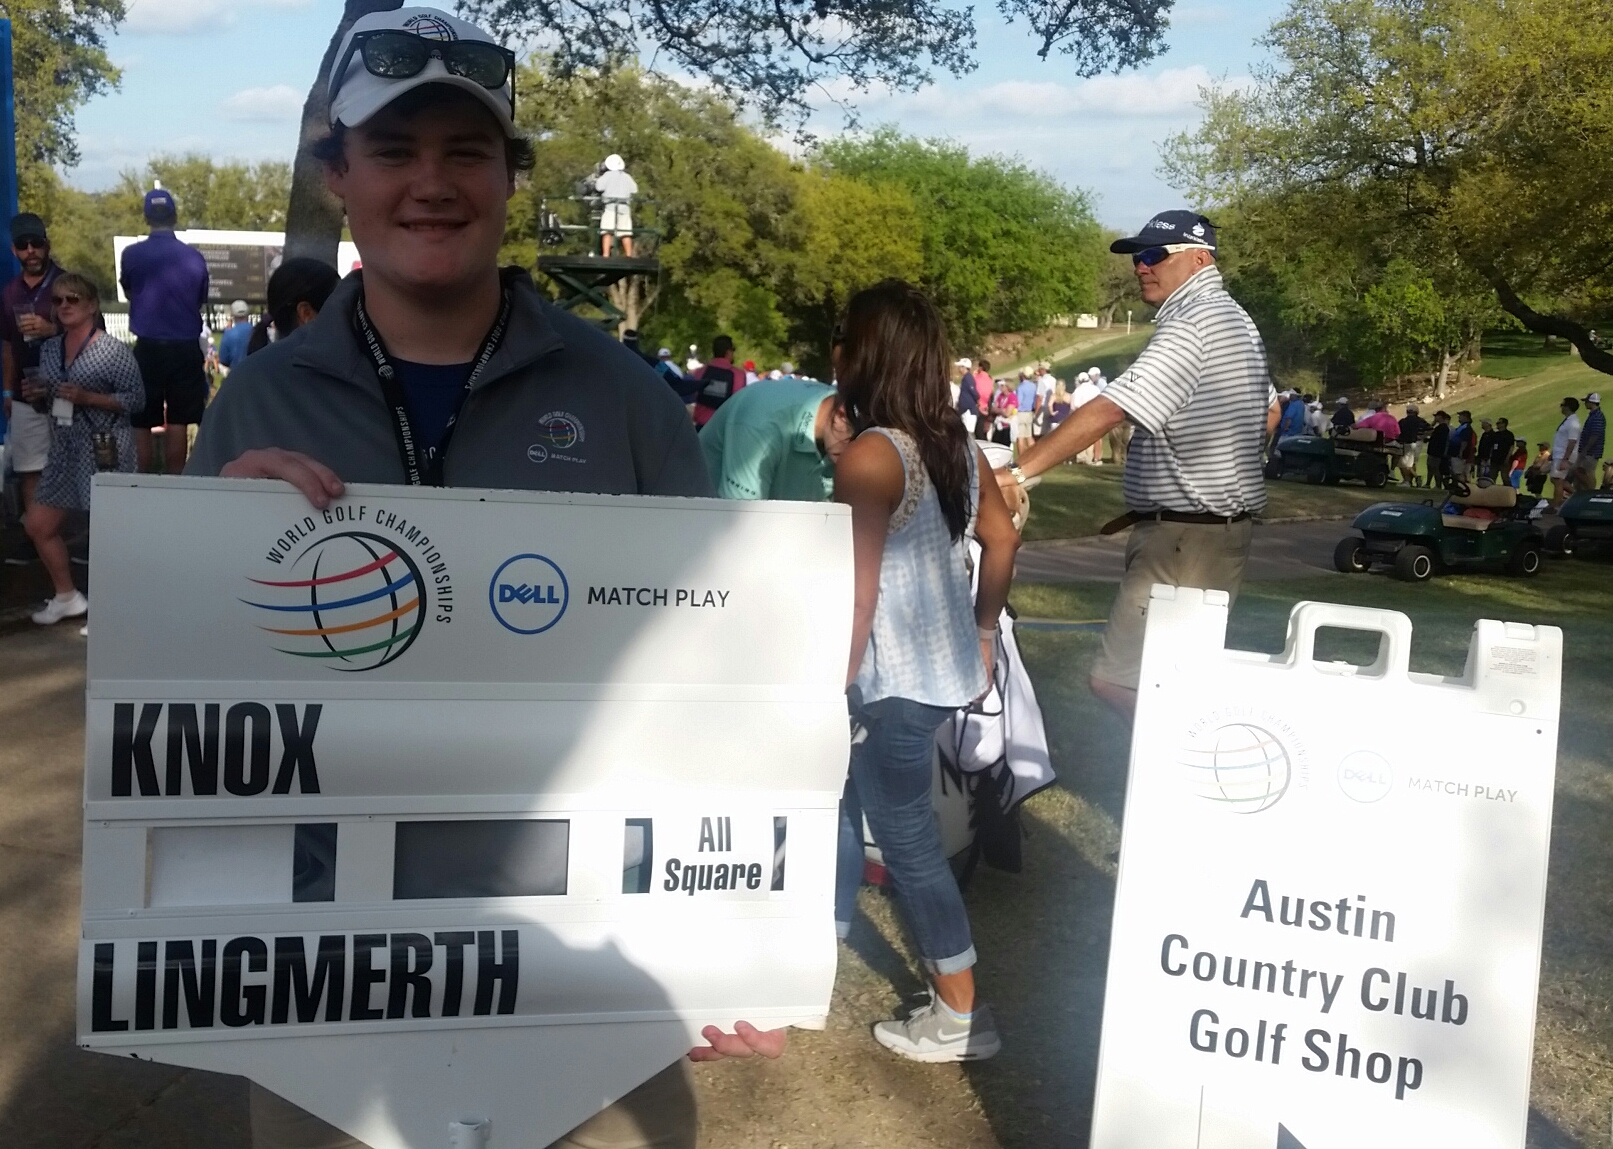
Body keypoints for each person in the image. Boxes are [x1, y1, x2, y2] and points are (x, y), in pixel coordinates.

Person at [178, 9, 775, 1144]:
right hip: (321, 950)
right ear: (337, 174)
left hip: (568, 947)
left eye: (466, 152)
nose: (431, 184)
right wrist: (208, 557)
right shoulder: (257, 402)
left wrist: (731, 923)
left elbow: (720, 680)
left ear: (510, 176)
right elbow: (181, 703)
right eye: (395, 152)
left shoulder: (625, 397)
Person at [832, 278, 1017, 1062]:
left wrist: (826, 686)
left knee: (906, 840)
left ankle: (959, 1014)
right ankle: (827, 930)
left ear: (864, 353)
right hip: (940, 668)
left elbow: (857, 594)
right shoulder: (954, 444)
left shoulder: (873, 455)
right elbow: (1002, 540)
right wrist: (981, 630)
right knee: (857, 803)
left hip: (892, 680)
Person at [995, 210, 1278, 719]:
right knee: (1176, 679)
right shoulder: (1234, 318)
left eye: (1153, 256)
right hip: (1208, 534)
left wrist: (1018, 473)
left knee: (1119, 681)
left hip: (1184, 539)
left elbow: (1110, 408)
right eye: (1136, 257)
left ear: (1198, 259)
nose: (1140, 267)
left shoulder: (1193, 325)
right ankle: (1193, 778)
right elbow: (1271, 411)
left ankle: (1195, 777)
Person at [23, 273, 143, 629]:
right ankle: (67, 596)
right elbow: (53, 397)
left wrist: (89, 397)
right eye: (58, 301)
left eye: (72, 299)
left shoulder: (112, 351)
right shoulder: (49, 348)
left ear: (91, 305)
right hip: (64, 445)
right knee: (39, 524)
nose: (63, 307)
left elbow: (137, 400)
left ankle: (113, 606)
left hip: (104, 446)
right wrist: (40, 397)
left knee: (107, 531)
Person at [120, 188, 210, 474]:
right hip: (184, 346)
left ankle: (142, 485)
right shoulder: (194, 258)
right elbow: (199, 298)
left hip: (148, 347)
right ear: (175, 215)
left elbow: (130, 291)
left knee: (142, 422)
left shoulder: (131, 254)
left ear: (147, 217)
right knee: (179, 421)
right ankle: (174, 484)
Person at [1, 212, 63, 543]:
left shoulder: (65, 285)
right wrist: (7, 393)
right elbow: (8, 346)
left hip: (66, 393)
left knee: (70, 465)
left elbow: (93, 334)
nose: (31, 251)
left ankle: (75, 536)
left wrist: (52, 329)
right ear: (14, 251)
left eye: (36, 244)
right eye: (23, 246)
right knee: (30, 469)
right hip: (25, 393)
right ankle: (35, 537)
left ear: (46, 245)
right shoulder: (9, 293)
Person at [700, 375, 853, 499]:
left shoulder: (842, 426)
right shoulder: (761, 422)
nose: (857, 457)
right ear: (841, 416)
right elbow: (741, 523)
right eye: (855, 442)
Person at [247, 257, 342, 354]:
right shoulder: (337, 365)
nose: (349, 315)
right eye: (342, 306)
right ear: (307, 314)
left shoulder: (261, 365)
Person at [691, 333, 743, 428]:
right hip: (724, 427)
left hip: (701, 427)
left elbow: (695, 395)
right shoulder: (738, 375)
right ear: (728, 352)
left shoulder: (700, 372)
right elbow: (737, 402)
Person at [596, 152, 638, 257]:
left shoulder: (607, 175)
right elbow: (634, 189)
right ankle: (629, 255)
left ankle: (606, 255)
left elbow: (598, 187)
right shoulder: (627, 177)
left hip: (610, 207)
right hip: (624, 208)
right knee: (625, 232)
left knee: (607, 231)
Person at [1549, 397, 1582, 507]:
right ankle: (1578, 496)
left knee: (1557, 480)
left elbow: (1572, 441)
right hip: (1559, 454)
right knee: (1557, 479)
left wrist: (1565, 459)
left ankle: (1556, 506)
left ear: (1568, 407)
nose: (1561, 407)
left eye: (1562, 405)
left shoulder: (1573, 423)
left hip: (1564, 455)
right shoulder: (1568, 421)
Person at [1574, 392, 1604, 492]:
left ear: (1592, 402)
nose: (1585, 404)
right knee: (1580, 472)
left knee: (1587, 473)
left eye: (1587, 402)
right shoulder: (1593, 415)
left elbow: (1595, 436)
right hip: (1588, 451)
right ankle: (1586, 492)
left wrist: (1585, 450)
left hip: (1591, 452)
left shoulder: (1597, 417)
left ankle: (1591, 492)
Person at [1396, 402, 1430, 485]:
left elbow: (1397, 432)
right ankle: (1411, 480)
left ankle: (1408, 480)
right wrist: (1422, 437)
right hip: (1417, 444)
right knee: (1412, 463)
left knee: (1403, 463)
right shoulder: (1421, 421)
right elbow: (1430, 430)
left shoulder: (1403, 421)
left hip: (1406, 443)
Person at [216, 300, 255, 371]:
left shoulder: (228, 334)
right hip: (256, 375)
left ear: (233, 315)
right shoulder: (257, 332)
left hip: (236, 375)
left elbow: (223, 360)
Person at [1012, 368, 1038, 454]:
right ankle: (1034, 454)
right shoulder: (1033, 386)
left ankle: (1022, 457)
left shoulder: (1021, 387)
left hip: (1021, 413)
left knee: (1020, 437)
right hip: (1030, 412)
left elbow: (1018, 402)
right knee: (1029, 436)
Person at [955, 357, 983, 437]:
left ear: (964, 367)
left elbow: (974, 392)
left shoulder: (968, 378)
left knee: (968, 434)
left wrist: (977, 400)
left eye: (960, 367)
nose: (959, 369)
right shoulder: (965, 378)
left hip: (969, 410)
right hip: (965, 410)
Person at [1486, 418, 1517, 483]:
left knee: (1505, 478)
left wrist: (1507, 459)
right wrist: (1490, 457)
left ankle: (1507, 491)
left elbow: (1511, 447)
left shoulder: (1509, 435)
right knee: (1491, 478)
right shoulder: (1495, 434)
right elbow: (1492, 447)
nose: (1497, 424)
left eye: (1499, 423)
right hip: (1494, 460)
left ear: (1504, 424)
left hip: (1504, 460)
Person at [1447, 410, 1476, 480]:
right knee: (1456, 472)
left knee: (1458, 473)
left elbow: (1464, 441)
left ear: (1465, 417)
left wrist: (1461, 451)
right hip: (1455, 452)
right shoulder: (1462, 427)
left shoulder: (1466, 427)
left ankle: (1461, 487)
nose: (1459, 417)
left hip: (1458, 454)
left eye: (1461, 416)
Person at [1426, 410, 1452, 486]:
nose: (1435, 418)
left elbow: (1439, 440)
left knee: (1436, 469)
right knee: (1432, 468)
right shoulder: (1440, 427)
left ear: (1440, 417)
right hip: (1434, 451)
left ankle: (1438, 485)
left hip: (1436, 452)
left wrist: (1433, 423)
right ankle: (1433, 484)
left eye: (1436, 416)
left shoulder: (1443, 428)